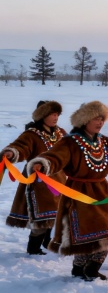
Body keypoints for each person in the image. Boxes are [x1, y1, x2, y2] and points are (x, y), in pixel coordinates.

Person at [28, 101, 108, 280]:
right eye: (96, 119)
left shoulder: (105, 142)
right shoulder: (70, 142)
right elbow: (55, 157)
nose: (100, 122)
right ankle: (79, 268)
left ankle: (92, 268)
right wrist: (43, 164)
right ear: (84, 120)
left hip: (103, 193)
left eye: (102, 119)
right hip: (78, 193)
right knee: (84, 234)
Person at [3, 101, 67, 255]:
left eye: (57, 114)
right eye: (52, 114)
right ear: (42, 116)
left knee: (56, 213)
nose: (56, 117)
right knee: (41, 215)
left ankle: (47, 242)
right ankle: (33, 248)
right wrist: (12, 152)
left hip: (59, 179)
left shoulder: (61, 133)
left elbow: (70, 150)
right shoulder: (31, 134)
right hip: (38, 182)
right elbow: (20, 147)